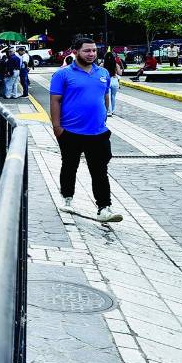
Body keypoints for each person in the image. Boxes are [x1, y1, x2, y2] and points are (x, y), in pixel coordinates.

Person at [50, 35, 122, 223]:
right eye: (87, 50)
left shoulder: (103, 73)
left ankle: (104, 207)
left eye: (94, 50)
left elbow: (105, 96)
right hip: (70, 132)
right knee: (69, 166)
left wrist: (104, 115)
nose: (91, 54)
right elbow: (55, 101)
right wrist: (57, 127)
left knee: (99, 170)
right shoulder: (62, 74)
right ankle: (67, 197)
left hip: (98, 133)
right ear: (75, 52)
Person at [102, 51, 123, 116]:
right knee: (113, 96)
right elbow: (120, 73)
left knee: (107, 96)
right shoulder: (116, 64)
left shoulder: (102, 65)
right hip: (114, 80)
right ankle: (113, 110)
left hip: (106, 81)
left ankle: (109, 111)